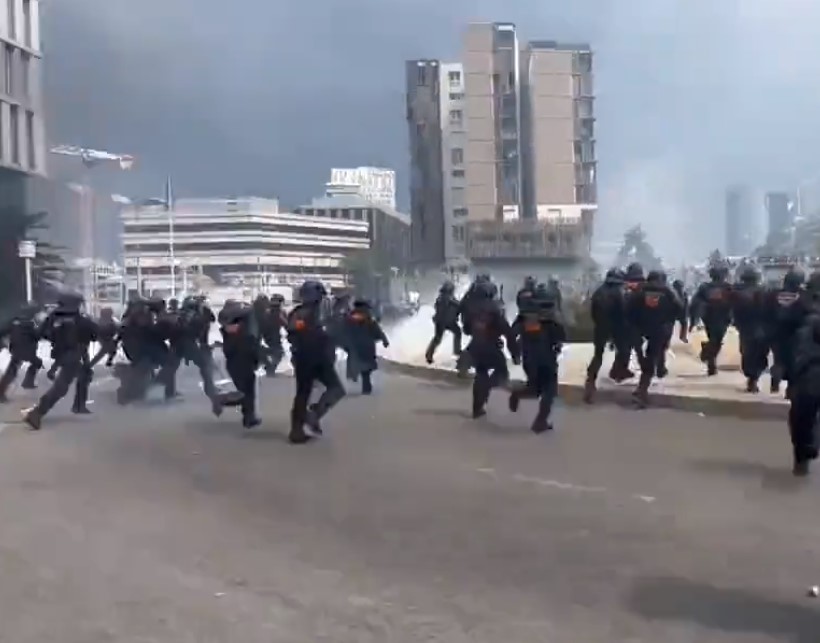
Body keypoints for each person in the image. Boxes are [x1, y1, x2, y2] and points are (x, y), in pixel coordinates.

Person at [24, 292, 97, 430]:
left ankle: (78, 405)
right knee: (61, 387)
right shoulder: (79, 319)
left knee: (84, 374)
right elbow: (95, 333)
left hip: (60, 354)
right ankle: (37, 412)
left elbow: (39, 334)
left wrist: (54, 336)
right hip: (74, 355)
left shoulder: (53, 317)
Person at [287, 280, 345, 443]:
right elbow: (328, 333)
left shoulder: (296, 313)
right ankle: (314, 415)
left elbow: (291, 333)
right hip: (318, 357)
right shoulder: (320, 313)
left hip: (302, 358)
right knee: (336, 389)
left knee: (302, 394)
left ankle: (297, 430)